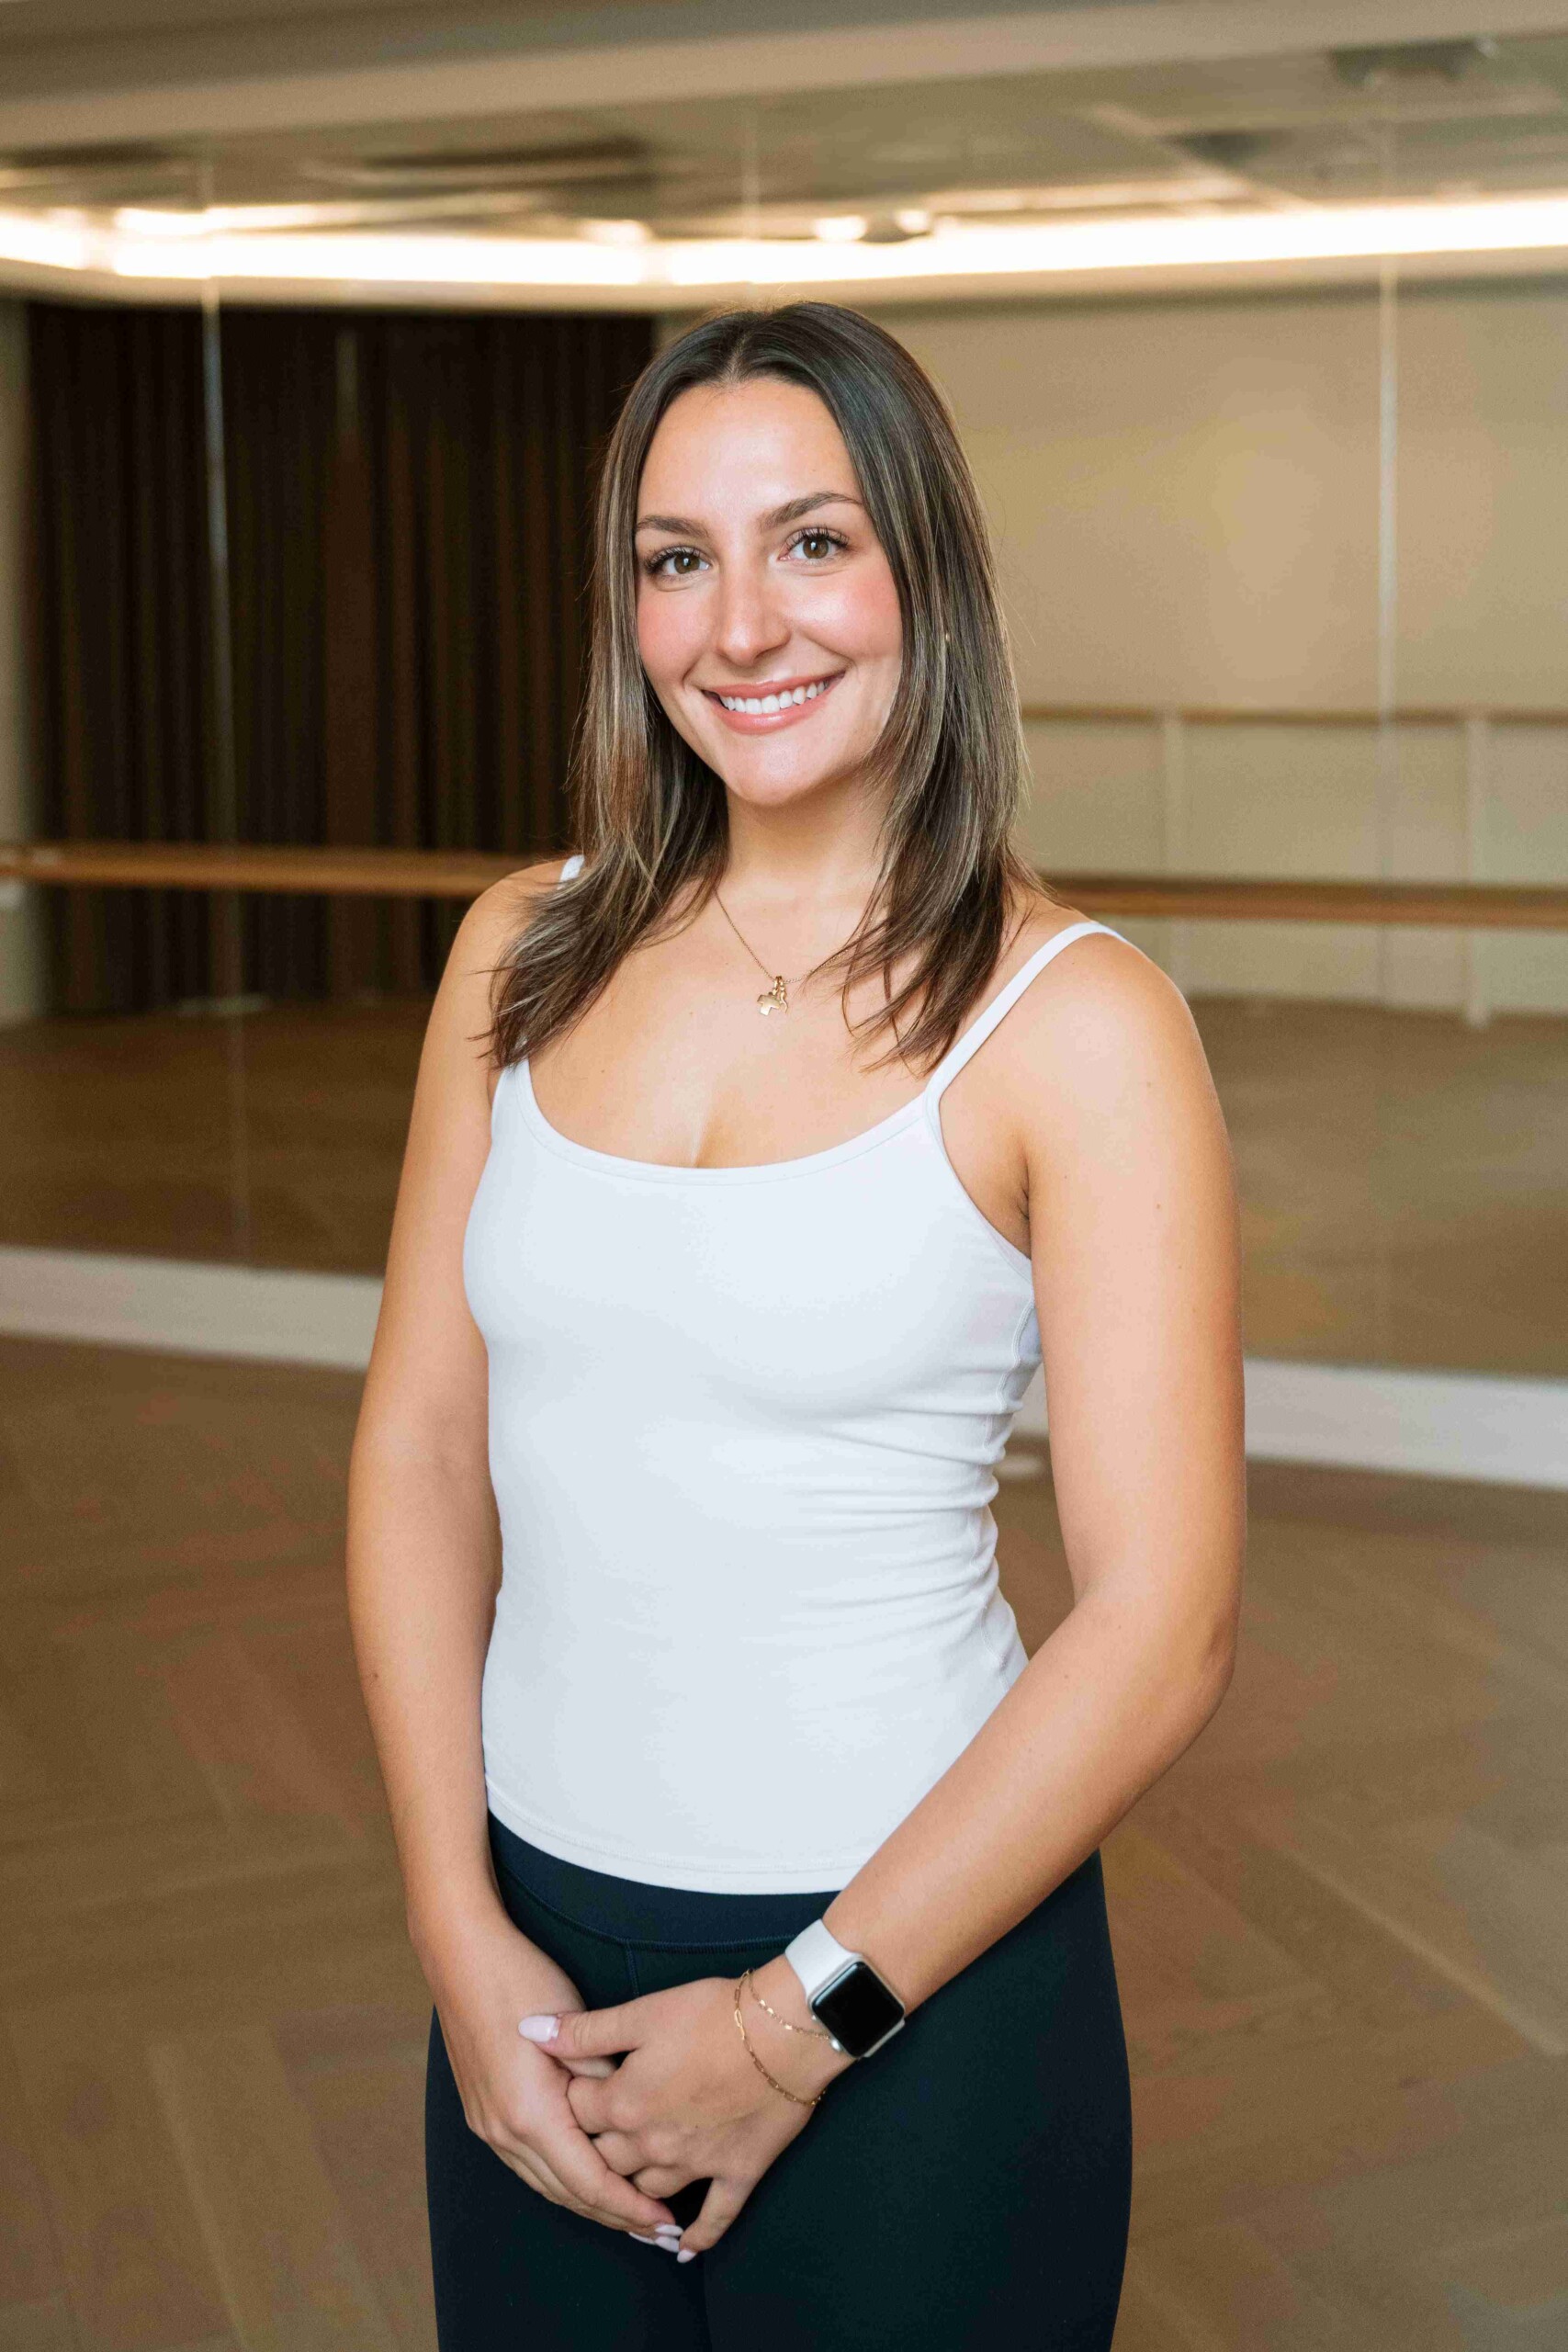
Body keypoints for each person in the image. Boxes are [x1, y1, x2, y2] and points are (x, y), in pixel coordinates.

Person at [345, 300, 1245, 2351]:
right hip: (529, 1974)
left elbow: (1163, 1621)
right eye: (677, 559)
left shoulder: (1078, 1022)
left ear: (926, 570)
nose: (739, 624)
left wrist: (793, 2019)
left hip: (915, 1984)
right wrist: (452, 1927)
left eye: (812, 542)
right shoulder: (516, 952)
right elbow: (418, 1449)